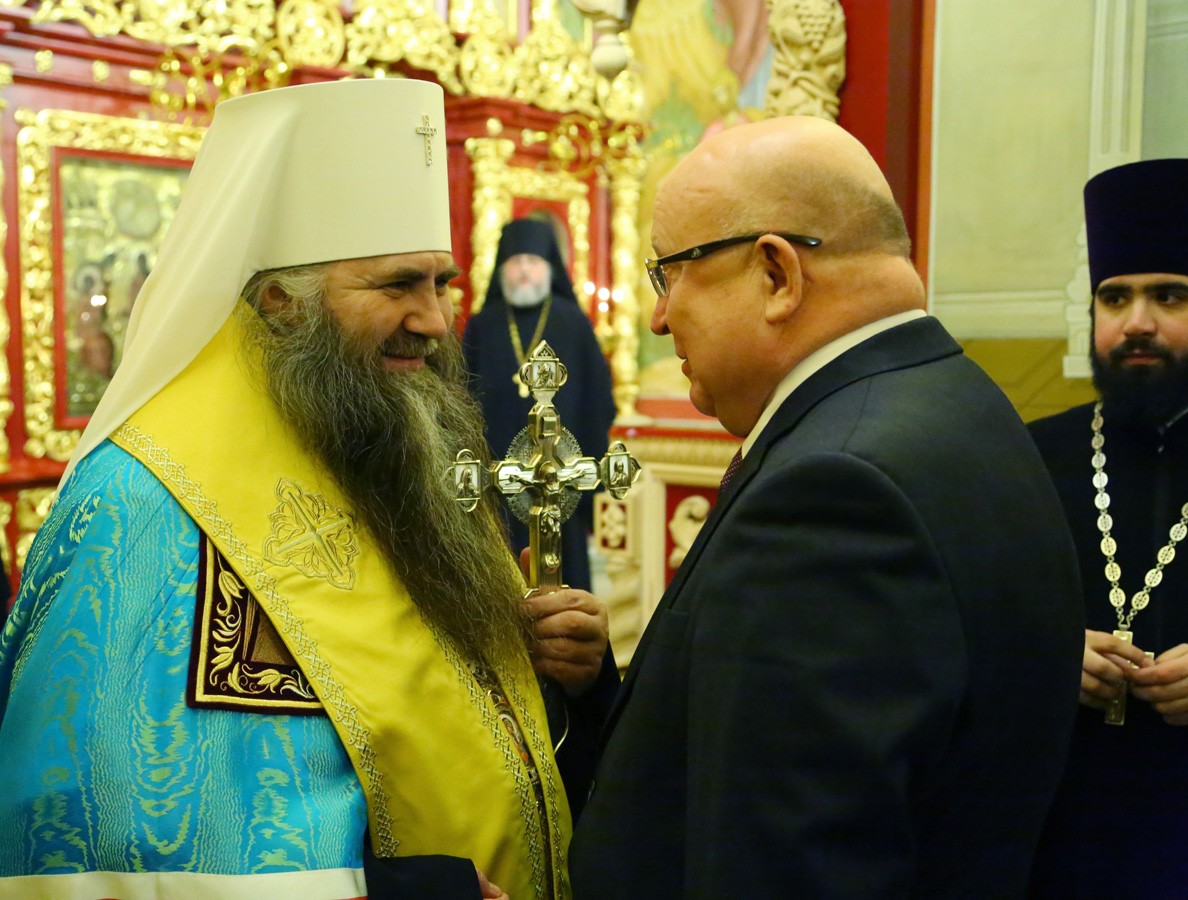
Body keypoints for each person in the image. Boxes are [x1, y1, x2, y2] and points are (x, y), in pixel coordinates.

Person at [0, 78, 612, 899]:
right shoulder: (143, 504)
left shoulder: (398, 436)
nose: (435, 320)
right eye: (397, 286)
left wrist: (568, 678)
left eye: (442, 284)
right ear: (282, 301)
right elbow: (113, 835)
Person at [568, 115, 1085, 898]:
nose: (658, 317)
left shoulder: (833, 494)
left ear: (777, 275)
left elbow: (789, 867)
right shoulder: (956, 400)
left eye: (669, 274)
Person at [1028, 157, 1188, 895]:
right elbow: (965, 623)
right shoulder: (1030, 454)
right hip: (1062, 831)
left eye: (1171, 295)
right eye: (1115, 296)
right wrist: (1046, 660)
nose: (1136, 323)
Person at [462, 217, 615, 591]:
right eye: (515, 261)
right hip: (498, 484)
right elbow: (460, 398)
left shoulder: (573, 323)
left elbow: (597, 400)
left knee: (564, 579)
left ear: (550, 268)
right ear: (501, 270)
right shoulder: (483, 325)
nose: (524, 270)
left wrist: (588, 469)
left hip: (560, 482)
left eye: (533, 261)